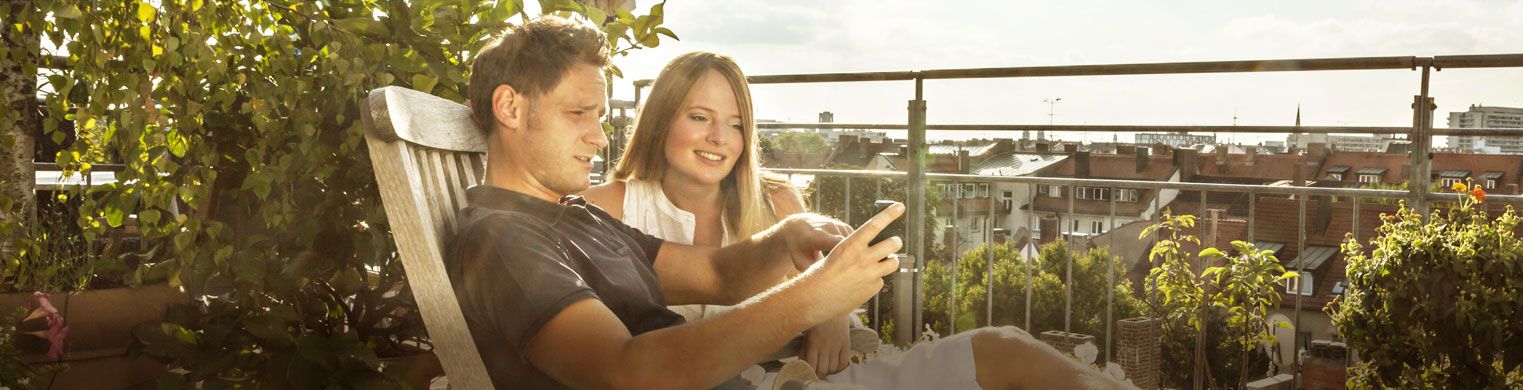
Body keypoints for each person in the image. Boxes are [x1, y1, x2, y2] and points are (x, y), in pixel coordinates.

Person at [450, 15, 1135, 389]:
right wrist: (811, 301)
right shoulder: (502, 242)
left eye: (601, 115)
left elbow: (716, 276)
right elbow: (631, 373)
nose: (599, 136)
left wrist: (787, 241)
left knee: (1004, 347)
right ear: (511, 108)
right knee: (1008, 364)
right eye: (579, 114)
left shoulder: (576, 218)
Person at [579, 51, 861, 377]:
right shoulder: (605, 208)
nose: (719, 137)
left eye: (736, 124)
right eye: (700, 117)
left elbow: (831, 284)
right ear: (660, 119)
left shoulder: (778, 202)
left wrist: (832, 313)